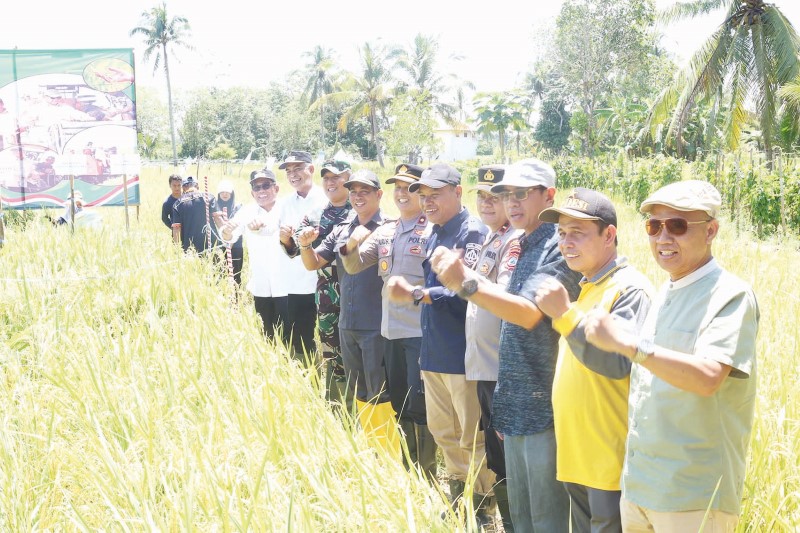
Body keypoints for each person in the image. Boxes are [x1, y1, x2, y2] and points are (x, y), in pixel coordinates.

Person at [581, 180, 759, 533]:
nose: (663, 238)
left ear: (710, 231)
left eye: (677, 226)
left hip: (692, 495)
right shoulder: (666, 290)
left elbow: (708, 377)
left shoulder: (731, 296)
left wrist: (630, 344)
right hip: (641, 487)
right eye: (654, 226)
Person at [430, 158, 581, 532]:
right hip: (515, 401)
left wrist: (464, 282)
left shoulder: (558, 245)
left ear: (549, 195)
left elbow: (531, 315)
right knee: (523, 514)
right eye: (507, 194)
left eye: (523, 194)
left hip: (544, 407)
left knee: (548, 519)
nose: (512, 202)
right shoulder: (521, 241)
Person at [533, 188, 653, 533]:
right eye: (561, 234)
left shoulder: (629, 290)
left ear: (609, 235)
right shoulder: (587, 288)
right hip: (578, 456)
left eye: (578, 234)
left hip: (609, 462)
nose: (565, 243)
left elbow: (618, 363)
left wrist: (566, 316)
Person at [386, 163, 496, 525]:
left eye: (435, 194)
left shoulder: (472, 232)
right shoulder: (435, 232)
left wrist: (417, 293)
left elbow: (463, 289)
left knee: (471, 437)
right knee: (443, 432)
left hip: (462, 354)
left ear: (457, 191)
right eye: (423, 195)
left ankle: (481, 508)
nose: (427, 201)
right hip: (433, 350)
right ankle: (459, 500)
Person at [340, 163, 437, 479]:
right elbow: (353, 266)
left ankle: (427, 474)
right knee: (399, 401)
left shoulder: (432, 230)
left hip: (421, 334)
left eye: (409, 188)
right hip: (390, 332)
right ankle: (409, 470)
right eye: (397, 187)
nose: (401, 193)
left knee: (421, 407)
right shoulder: (386, 230)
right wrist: (350, 244)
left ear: (422, 193)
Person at [295, 170, 398, 456]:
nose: (358, 196)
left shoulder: (390, 228)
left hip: (377, 323)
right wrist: (305, 245)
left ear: (379, 195)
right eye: (354, 192)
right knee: (359, 389)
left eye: (366, 191)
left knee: (381, 391)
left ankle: (388, 452)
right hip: (347, 323)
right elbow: (313, 263)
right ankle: (370, 445)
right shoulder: (342, 228)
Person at [464, 164, 522, 531]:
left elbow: (505, 296)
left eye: (496, 196)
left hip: (502, 369)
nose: (487, 202)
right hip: (483, 365)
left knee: (509, 459)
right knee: (497, 460)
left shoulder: (512, 240)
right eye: (482, 196)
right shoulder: (490, 237)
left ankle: (516, 524)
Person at [282, 159, 353, 408]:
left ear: (349, 179)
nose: (331, 183)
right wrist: (288, 240)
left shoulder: (361, 211)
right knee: (331, 351)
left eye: (337, 177)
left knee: (359, 351)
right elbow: (294, 249)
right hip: (327, 297)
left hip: (358, 297)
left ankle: (363, 404)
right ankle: (336, 407)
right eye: (327, 178)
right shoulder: (316, 214)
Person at [219, 170, 289, 339]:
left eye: (266, 186)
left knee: (290, 331)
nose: (261, 191)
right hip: (261, 282)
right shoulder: (247, 211)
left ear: (276, 188)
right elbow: (228, 236)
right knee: (266, 330)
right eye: (257, 188)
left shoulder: (287, 207)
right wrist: (227, 231)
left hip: (287, 283)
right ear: (252, 193)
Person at [277, 150, 328, 359]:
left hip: (325, 280)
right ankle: (307, 377)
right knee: (302, 338)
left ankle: (333, 382)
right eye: (289, 171)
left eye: (298, 168)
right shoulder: (286, 203)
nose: (293, 174)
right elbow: (287, 246)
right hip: (296, 281)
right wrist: (284, 238)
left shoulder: (326, 198)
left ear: (311, 169)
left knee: (330, 335)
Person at [172, 176, 223, 254]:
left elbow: (176, 229)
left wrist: (176, 249)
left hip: (189, 248)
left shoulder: (177, 204)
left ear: (183, 188)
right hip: (211, 245)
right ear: (197, 186)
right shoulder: (208, 197)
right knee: (214, 265)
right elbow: (218, 219)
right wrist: (228, 235)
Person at [216, 179, 244, 287]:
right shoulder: (215, 207)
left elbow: (240, 226)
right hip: (219, 246)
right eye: (222, 192)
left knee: (235, 274)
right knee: (220, 273)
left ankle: (236, 299)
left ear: (231, 193)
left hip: (236, 246)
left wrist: (231, 242)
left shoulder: (238, 207)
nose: (225, 194)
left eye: (227, 192)